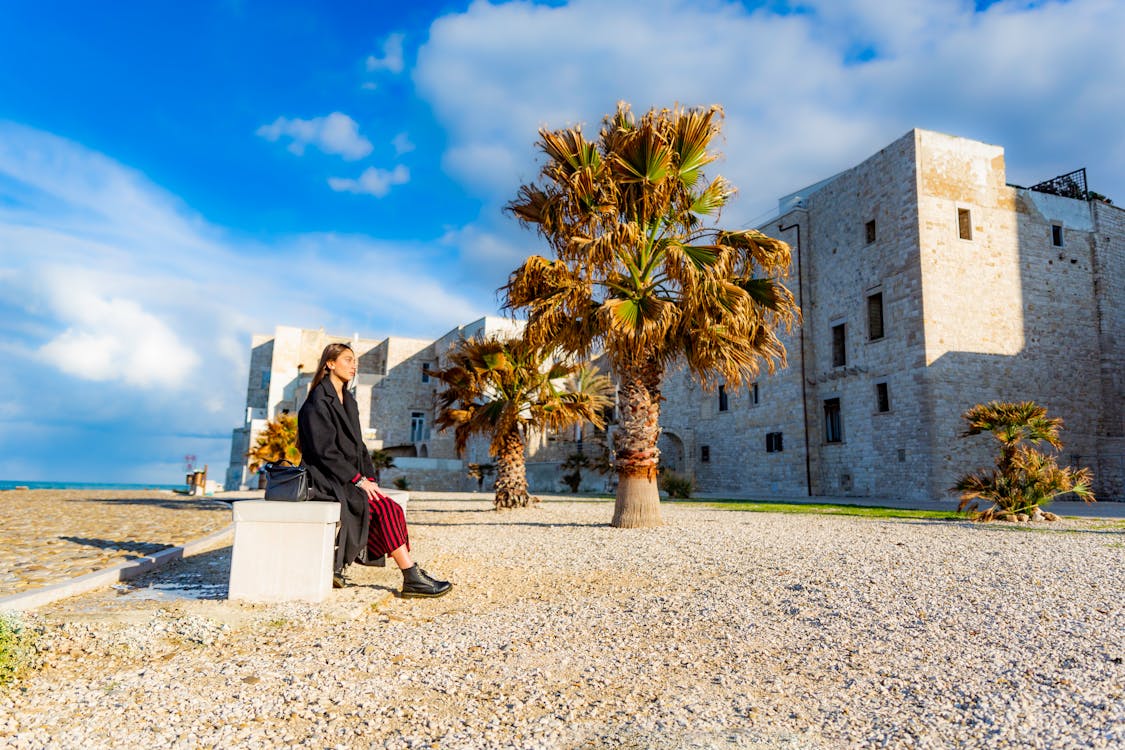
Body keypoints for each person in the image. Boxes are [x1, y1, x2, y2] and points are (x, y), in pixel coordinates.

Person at [297, 342, 452, 597]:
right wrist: (358, 480)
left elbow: (359, 447)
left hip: (348, 477)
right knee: (385, 508)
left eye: (355, 360)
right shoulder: (317, 401)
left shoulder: (349, 400)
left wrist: (369, 478)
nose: (354, 365)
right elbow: (324, 452)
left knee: (390, 507)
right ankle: (411, 575)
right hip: (325, 478)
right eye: (347, 360)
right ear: (330, 363)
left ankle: (412, 574)